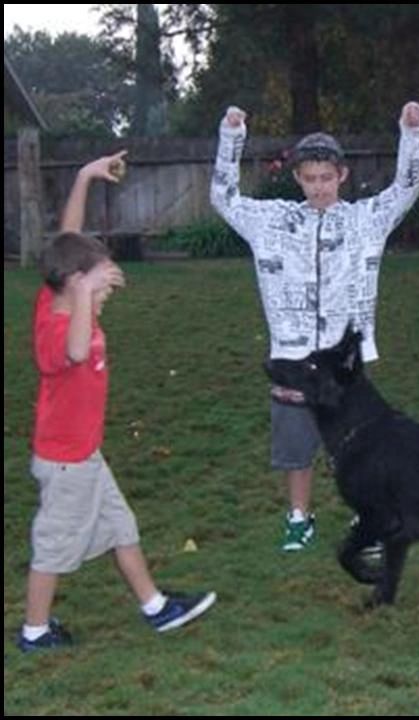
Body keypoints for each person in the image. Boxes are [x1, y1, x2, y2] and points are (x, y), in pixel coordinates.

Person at [19, 153, 216, 652]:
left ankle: (155, 607)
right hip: (66, 464)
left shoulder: (56, 290)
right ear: (74, 285)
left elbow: (66, 240)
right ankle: (34, 632)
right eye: (97, 282)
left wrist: (84, 175)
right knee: (53, 547)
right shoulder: (56, 327)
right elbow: (76, 351)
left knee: (121, 526)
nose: (108, 289)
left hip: (83, 455)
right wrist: (89, 291)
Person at [210, 102, 419, 551]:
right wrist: (232, 137)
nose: (319, 187)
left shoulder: (366, 220)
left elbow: (407, 186)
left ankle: (370, 520)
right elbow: (223, 197)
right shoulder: (272, 222)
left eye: (326, 178)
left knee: (358, 445)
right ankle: (298, 517)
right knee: (296, 443)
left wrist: (412, 132)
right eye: (309, 179)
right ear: (298, 179)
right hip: (293, 358)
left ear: (341, 176)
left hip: (344, 360)